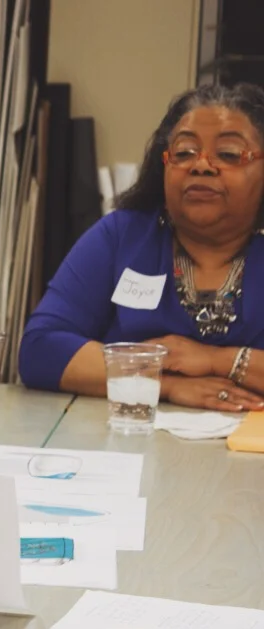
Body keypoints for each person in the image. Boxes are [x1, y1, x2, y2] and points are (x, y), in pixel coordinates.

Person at [20, 83, 264, 412]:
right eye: (184, 153)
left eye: (229, 154)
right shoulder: (122, 236)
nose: (201, 165)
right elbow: (40, 349)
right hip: (131, 442)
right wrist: (163, 384)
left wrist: (216, 360)